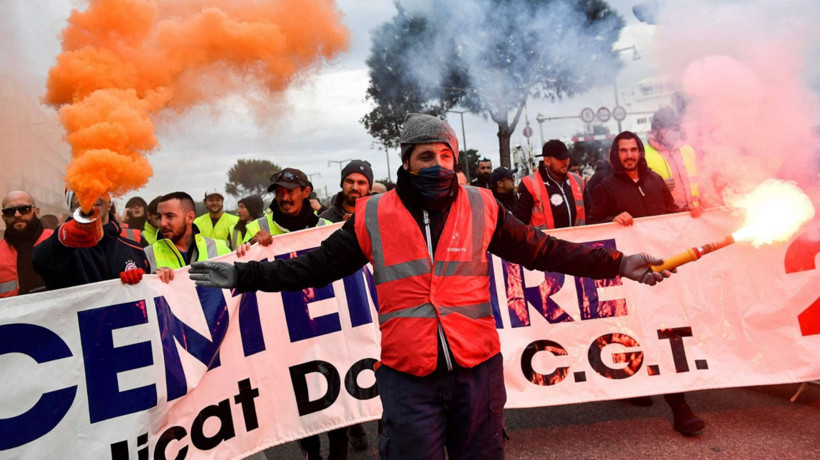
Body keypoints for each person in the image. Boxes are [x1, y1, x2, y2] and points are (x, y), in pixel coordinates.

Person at [189, 113, 675, 459]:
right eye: (426, 155)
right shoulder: (372, 215)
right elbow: (314, 267)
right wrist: (245, 275)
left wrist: (618, 263)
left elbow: (545, 250)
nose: (439, 165)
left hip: (477, 373)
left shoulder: (482, 205)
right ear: (406, 162)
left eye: (446, 155)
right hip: (408, 379)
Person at [586, 131, 704, 436]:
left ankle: (677, 404)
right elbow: (591, 226)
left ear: (640, 152)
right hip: (630, 276)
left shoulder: (655, 181)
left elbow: (670, 213)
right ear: (616, 154)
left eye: (633, 149)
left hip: (663, 272)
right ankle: (660, 396)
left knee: (666, 331)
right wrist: (612, 219)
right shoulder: (605, 187)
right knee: (640, 332)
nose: (629, 155)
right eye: (623, 150)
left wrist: (690, 215)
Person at [33, 193, 149, 290]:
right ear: (72, 206)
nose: (90, 195)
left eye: (99, 190)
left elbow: (147, 294)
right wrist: (61, 239)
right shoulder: (62, 247)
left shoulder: (134, 249)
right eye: (80, 191)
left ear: (109, 202)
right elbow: (40, 262)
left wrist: (141, 283)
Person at [144, 192, 231, 283]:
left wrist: (241, 254)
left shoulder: (219, 248)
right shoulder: (147, 255)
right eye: (159, 217)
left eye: (170, 216)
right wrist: (152, 281)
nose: (162, 223)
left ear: (190, 218)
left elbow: (236, 284)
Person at [243, 168, 332, 245]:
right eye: (279, 192)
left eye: (290, 191)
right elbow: (240, 258)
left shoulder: (327, 228)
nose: (284, 198)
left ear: (306, 192)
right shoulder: (257, 228)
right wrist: (251, 245)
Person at [515, 139, 590, 229]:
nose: (565, 162)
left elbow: (591, 214)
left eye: (567, 158)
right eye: (560, 159)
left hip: (577, 237)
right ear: (547, 161)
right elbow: (520, 224)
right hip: (545, 238)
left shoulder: (578, 181)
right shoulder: (529, 183)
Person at [644, 107, 702, 215]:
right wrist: (659, 187)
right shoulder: (644, 154)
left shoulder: (688, 150)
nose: (671, 132)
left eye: (674, 128)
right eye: (666, 128)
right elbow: (637, 191)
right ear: (655, 131)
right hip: (666, 218)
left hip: (693, 215)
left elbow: (700, 182)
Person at [1, 191, 52, 297]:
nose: (17, 215)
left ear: (37, 211)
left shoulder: (56, 240)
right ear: (3, 217)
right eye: (9, 211)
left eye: (24, 209)